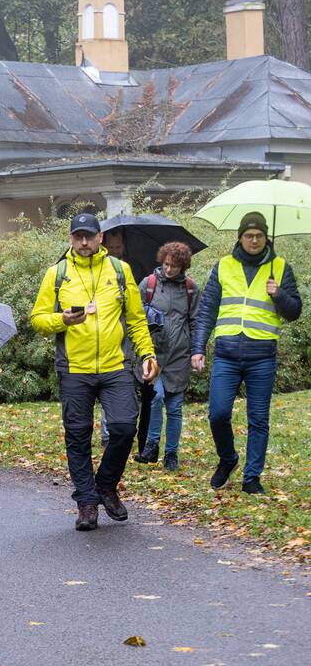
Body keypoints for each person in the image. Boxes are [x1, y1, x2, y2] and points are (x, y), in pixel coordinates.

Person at [30, 213, 158, 531]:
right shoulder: (57, 274)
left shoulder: (119, 270)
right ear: (71, 239)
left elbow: (136, 319)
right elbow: (37, 319)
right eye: (78, 237)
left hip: (115, 365)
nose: (84, 242)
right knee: (78, 435)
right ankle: (87, 502)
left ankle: (105, 484)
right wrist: (62, 320)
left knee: (124, 427)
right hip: (75, 368)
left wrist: (147, 353)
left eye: (90, 236)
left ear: (101, 237)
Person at [191, 212, 302, 494]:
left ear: (267, 238)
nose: (254, 240)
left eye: (259, 236)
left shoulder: (280, 267)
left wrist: (279, 294)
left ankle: (252, 477)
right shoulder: (223, 266)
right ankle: (228, 459)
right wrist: (198, 348)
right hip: (227, 354)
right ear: (239, 238)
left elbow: (294, 312)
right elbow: (207, 310)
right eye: (249, 235)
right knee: (217, 414)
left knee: (258, 419)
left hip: (262, 355)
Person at [133, 242, 199, 471]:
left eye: (174, 266)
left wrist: (197, 351)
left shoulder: (190, 288)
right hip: (154, 353)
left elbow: (195, 321)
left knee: (175, 408)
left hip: (179, 355)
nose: (169, 269)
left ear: (183, 266)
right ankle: (151, 445)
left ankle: (171, 454)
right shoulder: (148, 284)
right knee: (157, 397)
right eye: (166, 264)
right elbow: (135, 315)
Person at [100, 227, 155, 453]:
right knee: (110, 387)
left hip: (132, 340)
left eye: (117, 247)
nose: (114, 250)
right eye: (110, 247)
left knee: (132, 391)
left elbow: (137, 310)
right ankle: (107, 436)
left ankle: (134, 435)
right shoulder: (101, 271)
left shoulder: (130, 270)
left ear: (124, 246)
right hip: (110, 342)